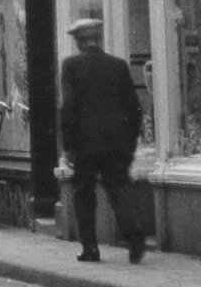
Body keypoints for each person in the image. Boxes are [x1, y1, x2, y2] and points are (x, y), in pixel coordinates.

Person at [57, 17, 146, 264]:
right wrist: (130, 141)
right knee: (118, 188)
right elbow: (134, 107)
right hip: (117, 142)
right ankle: (134, 233)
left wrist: (68, 147)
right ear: (99, 39)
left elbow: (69, 107)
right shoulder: (118, 65)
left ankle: (90, 249)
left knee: (84, 195)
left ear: (79, 41)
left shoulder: (71, 65)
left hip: (85, 143)